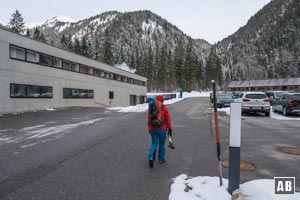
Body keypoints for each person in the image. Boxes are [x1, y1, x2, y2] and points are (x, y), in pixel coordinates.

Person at [148, 95, 172, 167]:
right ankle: (161, 159)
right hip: (162, 129)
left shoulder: (151, 107)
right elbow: (168, 119)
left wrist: (150, 129)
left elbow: (149, 119)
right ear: (162, 100)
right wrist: (170, 128)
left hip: (153, 129)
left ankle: (151, 157)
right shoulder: (164, 108)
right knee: (162, 145)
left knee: (154, 144)